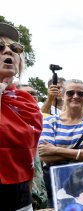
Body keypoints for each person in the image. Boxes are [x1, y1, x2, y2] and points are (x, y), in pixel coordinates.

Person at [38, 79, 83, 207]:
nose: (75, 96)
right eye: (70, 93)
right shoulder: (50, 122)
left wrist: (55, 150)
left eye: (80, 94)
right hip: (53, 183)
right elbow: (44, 155)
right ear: (62, 96)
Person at [0, 22, 43, 211]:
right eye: (0, 47)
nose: (8, 52)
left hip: (19, 194)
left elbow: (30, 155)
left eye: (14, 48)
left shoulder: (27, 101)